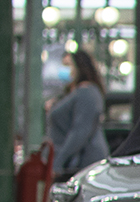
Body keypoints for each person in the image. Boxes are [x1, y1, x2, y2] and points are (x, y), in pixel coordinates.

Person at [47, 48, 110, 179]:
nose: (63, 70)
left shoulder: (87, 92)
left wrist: (58, 162)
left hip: (83, 164)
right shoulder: (72, 93)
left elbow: (80, 131)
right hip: (72, 163)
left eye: (68, 65)